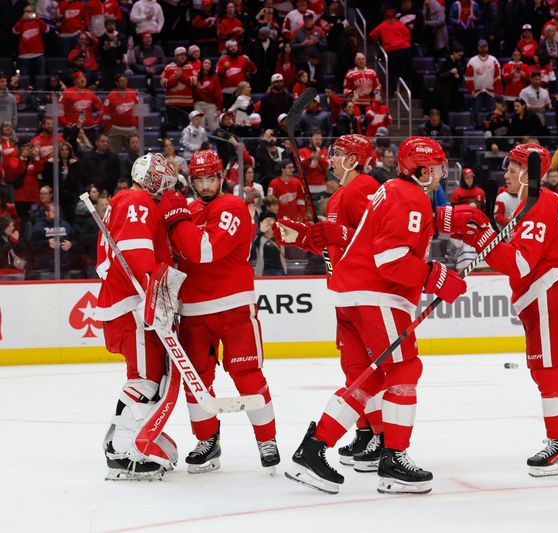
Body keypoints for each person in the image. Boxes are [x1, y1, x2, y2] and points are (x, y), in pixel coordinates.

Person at [285, 137, 466, 494]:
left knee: (371, 376)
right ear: (422, 168)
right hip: (376, 294)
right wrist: (436, 276)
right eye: (437, 167)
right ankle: (393, 459)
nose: (441, 174)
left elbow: (370, 239)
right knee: (403, 368)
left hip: (352, 292)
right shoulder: (410, 196)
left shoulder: (393, 190)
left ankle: (314, 448)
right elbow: (391, 259)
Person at [437, 143, 558, 476]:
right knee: (545, 369)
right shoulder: (538, 203)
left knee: (548, 371)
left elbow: (518, 264)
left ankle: (557, 443)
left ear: (529, 173)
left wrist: (483, 238)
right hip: (541, 294)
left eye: (514, 168)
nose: (507, 174)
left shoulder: (539, 204)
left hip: (547, 293)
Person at [157, 150, 279, 474]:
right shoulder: (191, 209)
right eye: (199, 179)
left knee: (248, 376)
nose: (205, 185)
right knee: (196, 382)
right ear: (192, 180)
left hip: (234, 305)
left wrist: (177, 219)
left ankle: (267, 439)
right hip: (193, 311)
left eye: (210, 178)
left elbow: (204, 250)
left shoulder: (233, 207)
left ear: (221, 176)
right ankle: (207, 441)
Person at [274, 134, 383, 467]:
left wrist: (337, 235)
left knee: (370, 371)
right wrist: (306, 237)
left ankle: (383, 437)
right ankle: (366, 432)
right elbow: (337, 247)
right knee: (354, 370)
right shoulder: (339, 195)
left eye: (336, 154)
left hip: (365, 293)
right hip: (345, 292)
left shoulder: (362, 186)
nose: (329, 159)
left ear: (353, 158)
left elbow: (375, 237)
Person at [93, 153, 179, 480]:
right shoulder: (137, 199)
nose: (165, 184)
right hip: (134, 304)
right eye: (161, 177)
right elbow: (137, 252)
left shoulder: (129, 200)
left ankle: (126, 440)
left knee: (146, 376)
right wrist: (152, 298)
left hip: (129, 303)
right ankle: (121, 448)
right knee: (146, 378)